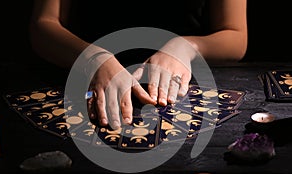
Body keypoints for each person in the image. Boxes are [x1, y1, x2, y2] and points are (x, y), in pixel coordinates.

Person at [29, 0, 248, 130]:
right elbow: (43, 25)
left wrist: (186, 47)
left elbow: (235, 36)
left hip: (178, 95)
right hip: (86, 85)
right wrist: (92, 58)